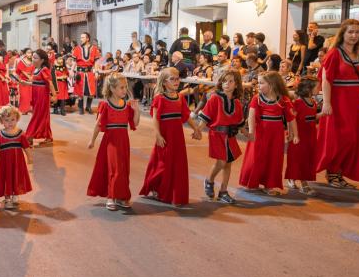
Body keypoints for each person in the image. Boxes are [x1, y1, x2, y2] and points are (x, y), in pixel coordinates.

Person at [317, 19, 359, 188]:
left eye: (357, 32)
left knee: (353, 139)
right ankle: (332, 173)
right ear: (343, 34)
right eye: (350, 32)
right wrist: (327, 102)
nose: (354, 35)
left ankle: (339, 173)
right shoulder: (334, 54)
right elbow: (326, 79)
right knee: (338, 138)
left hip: (357, 102)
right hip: (338, 101)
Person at [139, 67, 203, 207]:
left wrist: (196, 129)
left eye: (177, 78)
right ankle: (156, 187)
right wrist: (158, 134)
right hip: (164, 136)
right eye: (172, 79)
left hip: (177, 137)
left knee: (177, 165)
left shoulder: (180, 97)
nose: (176, 81)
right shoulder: (159, 98)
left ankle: (173, 193)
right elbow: (155, 118)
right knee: (162, 164)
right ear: (164, 82)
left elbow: (186, 115)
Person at [87, 73, 140, 211]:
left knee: (123, 170)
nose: (124, 90)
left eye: (125, 87)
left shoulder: (126, 105)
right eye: (121, 88)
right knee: (114, 169)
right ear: (112, 88)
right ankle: (111, 196)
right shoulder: (105, 105)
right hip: (110, 142)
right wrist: (92, 140)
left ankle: (121, 197)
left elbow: (135, 123)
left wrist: (136, 111)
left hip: (124, 142)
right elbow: (98, 125)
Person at [239, 72, 298, 195]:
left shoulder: (283, 100)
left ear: (271, 84)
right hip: (260, 133)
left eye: (261, 83)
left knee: (274, 159)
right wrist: (251, 132)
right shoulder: (258, 98)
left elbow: (291, 118)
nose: (258, 85)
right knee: (257, 158)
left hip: (276, 135)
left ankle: (269, 185)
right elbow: (251, 115)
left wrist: (295, 134)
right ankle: (252, 182)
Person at [200, 70, 245, 204]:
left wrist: (246, 133)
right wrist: (198, 130)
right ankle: (209, 180)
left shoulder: (237, 102)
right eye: (224, 81)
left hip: (230, 136)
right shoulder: (214, 98)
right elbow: (205, 117)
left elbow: (239, 121)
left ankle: (223, 191)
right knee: (221, 161)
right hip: (217, 134)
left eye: (231, 81)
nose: (227, 84)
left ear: (236, 85)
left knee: (228, 163)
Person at [0, 105, 32, 210]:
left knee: (16, 176)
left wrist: (30, 157)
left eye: (12, 120)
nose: (10, 122)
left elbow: (26, 147)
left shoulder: (21, 134)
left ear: (17, 119)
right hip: (4, 163)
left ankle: (15, 194)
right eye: (6, 120)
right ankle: (7, 197)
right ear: (2, 121)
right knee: (6, 177)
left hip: (18, 163)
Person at [285, 76, 319, 195]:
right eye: (317, 86)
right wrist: (291, 134)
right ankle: (304, 184)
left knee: (306, 159)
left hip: (310, 135)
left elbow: (312, 118)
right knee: (298, 159)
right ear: (308, 88)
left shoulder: (314, 102)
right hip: (299, 135)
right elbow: (291, 118)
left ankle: (292, 178)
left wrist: (323, 114)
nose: (319, 88)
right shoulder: (298, 103)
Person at [22, 49, 57, 145]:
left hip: (42, 97)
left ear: (42, 60)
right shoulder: (36, 69)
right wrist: (24, 82)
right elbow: (36, 83)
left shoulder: (44, 69)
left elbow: (49, 83)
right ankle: (48, 136)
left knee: (37, 116)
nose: (33, 59)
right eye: (32, 57)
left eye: (35, 58)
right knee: (43, 116)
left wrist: (54, 95)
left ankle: (29, 135)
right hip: (36, 96)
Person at [72, 32, 101, 115]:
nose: (81, 39)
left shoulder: (95, 49)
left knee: (91, 92)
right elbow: (74, 62)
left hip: (90, 73)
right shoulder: (77, 48)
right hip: (80, 73)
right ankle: (81, 108)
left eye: (83, 37)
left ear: (88, 39)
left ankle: (88, 107)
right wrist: (71, 71)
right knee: (80, 92)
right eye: (81, 37)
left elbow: (96, 62)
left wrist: (96, 72)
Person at [15, 48, 35, 114]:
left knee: (29, 95)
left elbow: (34, 71)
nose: (29, 54)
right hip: (23, 80)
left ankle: (27, 109)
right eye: (28, 53)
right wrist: (29, 77)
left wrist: (31, 77)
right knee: (24, 95)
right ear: (25, 54)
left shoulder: (33, 61)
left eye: (30, 53)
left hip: (30, 81)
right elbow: (22, 71)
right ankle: (23, 109)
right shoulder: (22, 61)